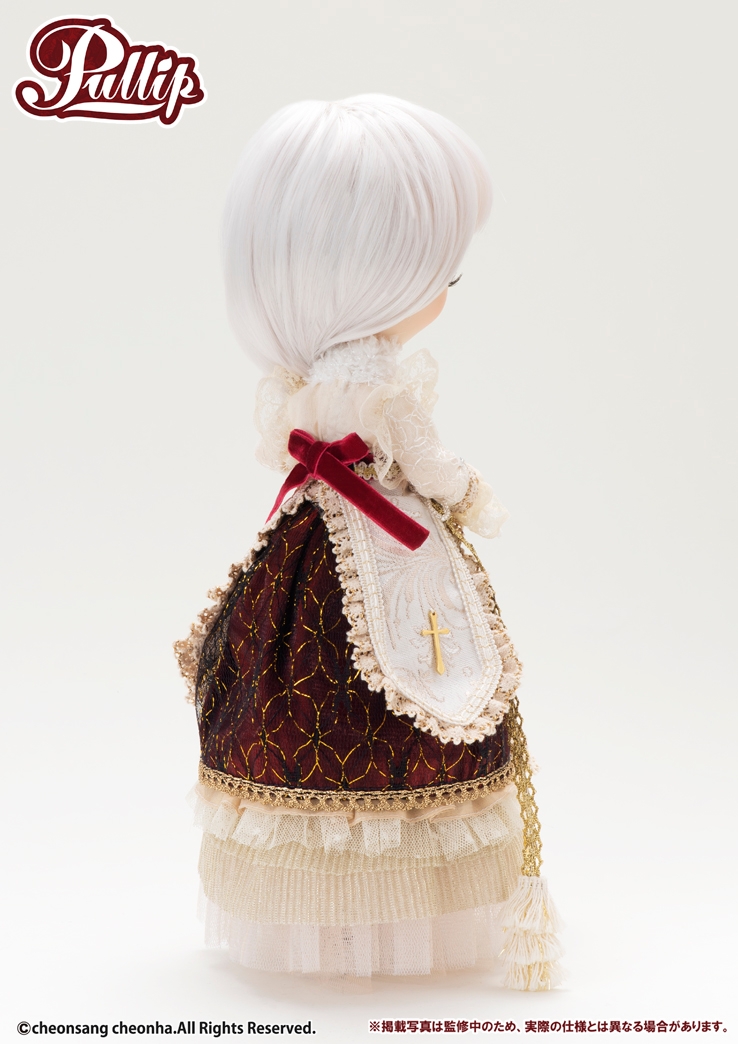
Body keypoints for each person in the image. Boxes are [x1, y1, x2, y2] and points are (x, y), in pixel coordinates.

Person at [176, 94, 562, 989]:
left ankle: (332, 918)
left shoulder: (306, 376)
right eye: (441, 273)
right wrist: (469, 496)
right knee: (413, 687)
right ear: (378, 273)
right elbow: (421, 457)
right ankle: (394, 915)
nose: (446, 291)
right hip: (384, 543)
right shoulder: (381, 378)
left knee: (296, 689)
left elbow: (291, 449)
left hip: (313, 532)